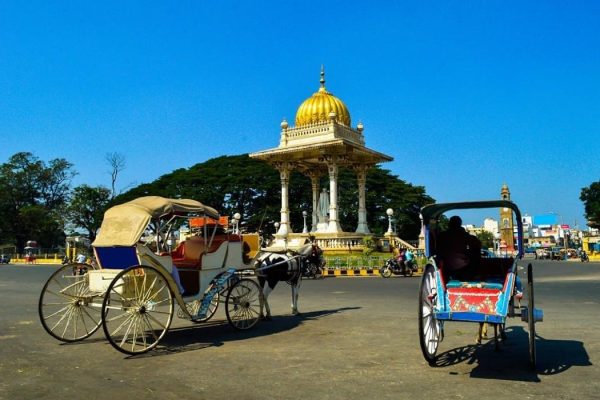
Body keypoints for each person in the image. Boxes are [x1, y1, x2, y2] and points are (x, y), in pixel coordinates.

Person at [436, 215, 481, 281]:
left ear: (449, 224)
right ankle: (476, 275)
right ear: (460, 224)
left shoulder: (442, 235)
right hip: (462, 265)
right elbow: (477, 244)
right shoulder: (464, 235)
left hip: (445, 264)